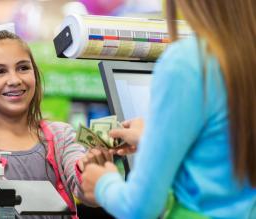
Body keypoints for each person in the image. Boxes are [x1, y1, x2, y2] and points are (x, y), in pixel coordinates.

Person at [81, 0, 256, 218]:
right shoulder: (245, 55)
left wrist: (102, 184)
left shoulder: (188, 60)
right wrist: (154, 140)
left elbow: (139, 208)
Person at [0, 23, 112, 219]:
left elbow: (86, 193)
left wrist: (93, 168)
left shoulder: (61, 136)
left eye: (23, 68)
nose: (15, 79)